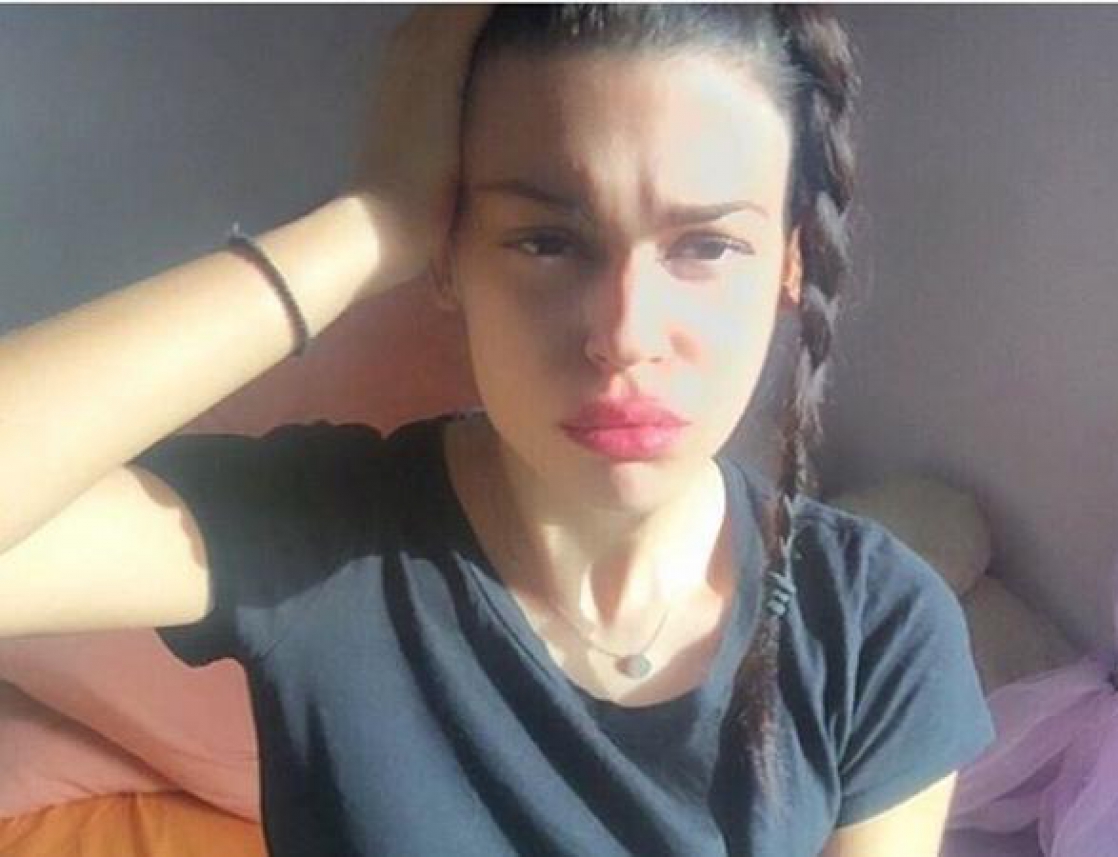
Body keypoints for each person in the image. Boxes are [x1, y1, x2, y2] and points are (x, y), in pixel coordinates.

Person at [0, 5, 995, 855]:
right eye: (547, 240)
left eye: (706, 245)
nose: (624, 335)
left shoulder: (875, 627)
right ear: (449, 257)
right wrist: (370, 221)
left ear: (790, 265)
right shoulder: (325, 536)